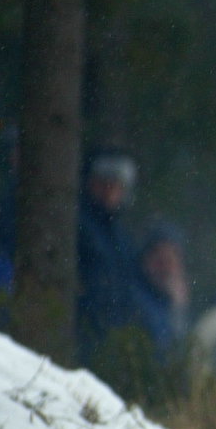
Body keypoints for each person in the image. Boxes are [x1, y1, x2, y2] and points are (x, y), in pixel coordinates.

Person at [76, 150, 142, 362]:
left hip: (109, 331)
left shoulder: (120, 234)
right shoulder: (78, 223)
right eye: (104, 183)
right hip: (82, 326)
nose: (109, 191)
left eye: (116, 185)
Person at [131, 221, 191, 360]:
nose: (166, 269)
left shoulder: (171, 306)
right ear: (145, 260)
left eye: (171, 261)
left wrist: (178, 309)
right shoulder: (135, 302)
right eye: (160, 261)